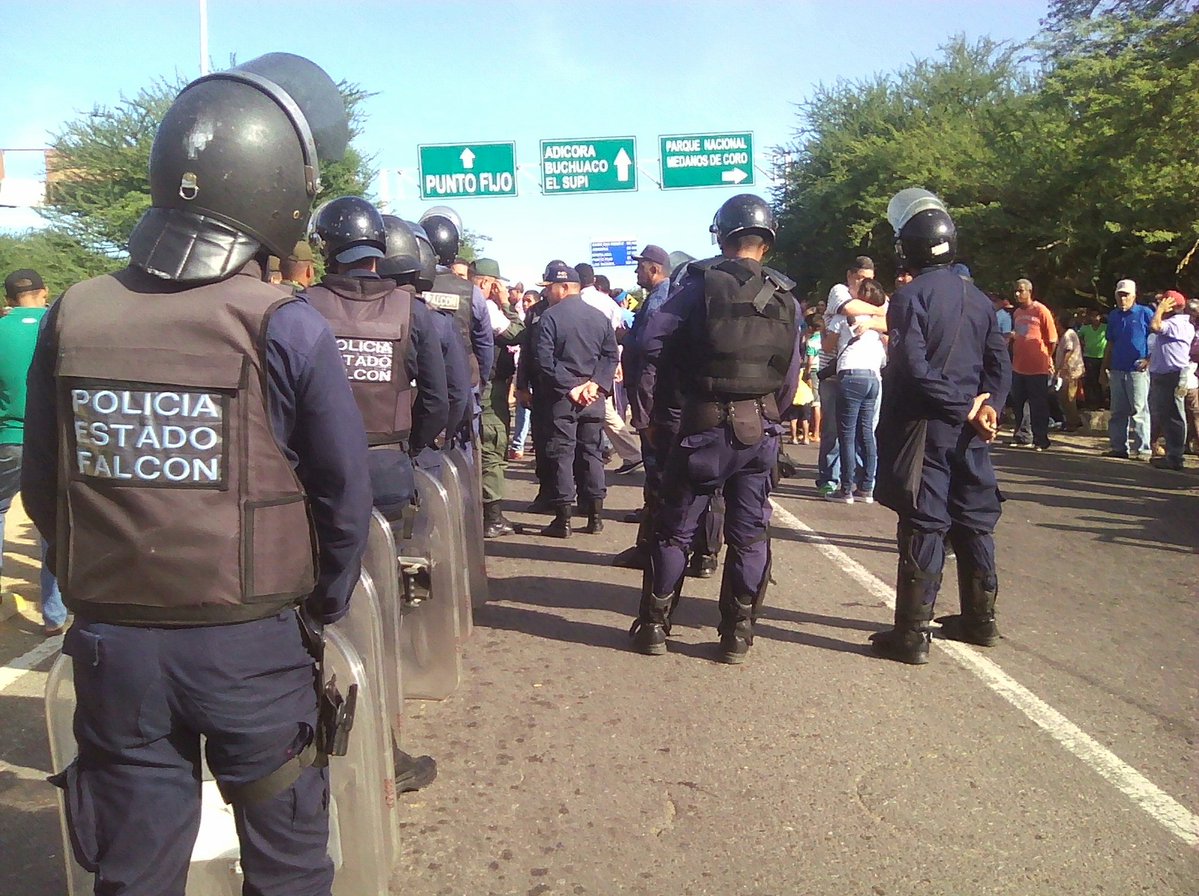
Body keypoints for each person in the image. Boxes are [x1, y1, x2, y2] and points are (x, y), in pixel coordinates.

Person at [21, 54, 372, 894]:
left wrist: (98, 586)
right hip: (250, 643)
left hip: (115, 647)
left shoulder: (73, 311)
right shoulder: (283, 323)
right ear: (279, 192)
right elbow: (341, 497)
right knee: (286, 865)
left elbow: (43, 486)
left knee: (133, 868)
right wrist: (318, 607)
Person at [628, 194, 802, 663]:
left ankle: (654, 627)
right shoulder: (787, 296)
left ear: (722, 236)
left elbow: (647, 343)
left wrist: (663, 403)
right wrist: (770, 411)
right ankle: (737, 635)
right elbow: (791, 375)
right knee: (749, 534)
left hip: (703, 424)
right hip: (760, 428)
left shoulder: (696, 285)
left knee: (675, 530)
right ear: (766, 243)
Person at [869, 189, 1010, 665]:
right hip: (970, 432)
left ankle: (911, 636)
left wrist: (964, 407)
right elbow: (999, 365)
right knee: (973, 518)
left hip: (928, 427)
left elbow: (912, 368)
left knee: (925, 522)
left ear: (906, 247)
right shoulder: (980, 298)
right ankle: (981, 621)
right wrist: (990, 407)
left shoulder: (909, 297)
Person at [531, 261, 619, 538]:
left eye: (550, 288)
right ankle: (595, 517)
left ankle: (563, 520)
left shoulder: (550, 318)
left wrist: (570, 387)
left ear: (566, 287)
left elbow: (543, 360)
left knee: (562, 455)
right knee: (591, 453)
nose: (546, 294)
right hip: (592, 396)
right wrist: (596, 384)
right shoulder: (599, 316)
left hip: (562, 399)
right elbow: (611, 355)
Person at [0, 268, 66, 635]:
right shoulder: (57, 325)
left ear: (9, 299)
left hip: (7, 437)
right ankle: (54, 615)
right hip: (52, 438)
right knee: (49, 524)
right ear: (44, 292)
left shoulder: (1, 328)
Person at [470, 258, 525, 538]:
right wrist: (505, 303)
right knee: (493, 445)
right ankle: (492, 518)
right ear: (486, 281)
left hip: (479, 383)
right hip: (491, 387)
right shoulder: (487, 306)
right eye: (496, 283)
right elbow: (517, 334)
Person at [816, 256, 876, 497]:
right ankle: (832, 478)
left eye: (869, 281)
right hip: (833, 374)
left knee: (860, 432)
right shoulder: (839, 292)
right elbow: (849, 310)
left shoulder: (869, 300)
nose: (864, 285)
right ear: (850, 276)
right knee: (833, 430)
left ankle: (859, 483)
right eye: (860, 279)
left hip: (857, 373)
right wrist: (875, 315)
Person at [576, 261, 642, 474]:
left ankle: (628, 453)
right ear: (593, 280)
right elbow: (617, 330)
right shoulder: (607, 301)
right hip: (606, 359)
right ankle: (620, 452)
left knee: (600, 408)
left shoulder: (577, 301)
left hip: (584, 361)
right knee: (602, 407)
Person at [831, 277, 889, 503]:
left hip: (851, 371)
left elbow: (829, 341)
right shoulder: (878, 321)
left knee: (846, 435)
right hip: (873, 376)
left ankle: (846, 488)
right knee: (867, 432)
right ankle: (867, 487)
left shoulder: (847, 316)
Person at [1101, 278, 1154, 459]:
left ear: (1134, 296)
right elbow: (1110, 342)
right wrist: (1104, 368)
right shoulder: (1114, 316)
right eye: (1120, 295)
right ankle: (1118, 447)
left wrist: (1149, 359)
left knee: (1139, 410)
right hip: (1117, 369)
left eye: (1126, 295)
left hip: (1137, 369)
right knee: (1117, 411)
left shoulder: (1145, 313)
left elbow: (1156, 338)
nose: (1123, 299)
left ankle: (1143, 448)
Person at [1147, 290, 1195, 471]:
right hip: (1165, 374)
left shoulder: (1178, 324)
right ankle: (1172, 454)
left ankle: (1175, 456)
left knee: (1174, 415)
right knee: (1166, 415)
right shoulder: (1178, 323)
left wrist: (1160, 310)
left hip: (1172, 375)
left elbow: (1155, 326)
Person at [1008, 278, 1057, 451]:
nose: (1017, 294)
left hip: (1037, 367)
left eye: (1021, 291)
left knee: (1038, 404)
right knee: (1019, 403)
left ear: (1030, 292)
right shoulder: (1017, 313)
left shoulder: (1041, 310)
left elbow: (1052, 339)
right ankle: (1022, 436)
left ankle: (1041, 439)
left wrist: (1047, 357)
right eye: (1015, 290)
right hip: (1019, 366)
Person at [1054, 311, 1085, 431]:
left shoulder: (1069, 334)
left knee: (1069, 398)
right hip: (1067, 371)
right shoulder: (1067, 334)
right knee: (1064, 397)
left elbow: (1068, 350)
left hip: (1071, 371)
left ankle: (1074, 422)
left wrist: (1060, 368)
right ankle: (1069, 421)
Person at [1077, 308, 1108, 409]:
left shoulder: (1105, 327)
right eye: (1093, 316)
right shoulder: (1085, 328)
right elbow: (1078, 336)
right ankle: (1090, 401)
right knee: (1090, 380)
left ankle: (1101, 402)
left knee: (1101, 380)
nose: (1095, 318)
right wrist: (1082, 344)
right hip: (1089, 356)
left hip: (1102, 357)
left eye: (1097, 316)